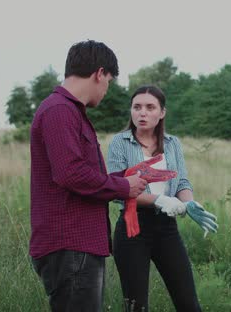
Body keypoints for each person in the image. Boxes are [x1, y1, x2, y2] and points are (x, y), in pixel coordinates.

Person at [30, 40, 148, 311]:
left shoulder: (68, 111)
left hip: (76, 247)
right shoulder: (60, 111)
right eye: (108, 81)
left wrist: (128, 177)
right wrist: (122, 187)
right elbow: (71, 174)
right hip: (71, 245)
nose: (107, 89)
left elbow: (80, 172)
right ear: (99, 73)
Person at [107, 85, 218, 311]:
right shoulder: (120, 142)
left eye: (150, 107)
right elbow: (117, 189)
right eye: (137, 107)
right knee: (136, 306)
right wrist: (158, 199)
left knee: (189, 304)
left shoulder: (172, 143)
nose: (143, 113)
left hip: (167, 229)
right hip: (132, 229)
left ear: (162, 112)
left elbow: (182, 182)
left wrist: (188, 202)